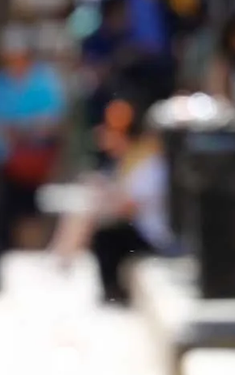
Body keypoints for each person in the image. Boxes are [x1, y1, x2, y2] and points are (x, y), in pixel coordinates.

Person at [52, 93, 176, 304]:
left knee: (104, 233)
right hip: (135, 225)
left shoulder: (148, 162)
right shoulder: (129, 159)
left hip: (152, 235)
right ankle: (62, 259)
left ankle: (108, 287)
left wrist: (99, 205)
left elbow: (128, 207)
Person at [0, 26, 67, 256]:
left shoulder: (45, 80)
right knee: (7, 211)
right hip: (6, 160)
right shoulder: (0, 82)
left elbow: (53, 121)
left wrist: (21, 130)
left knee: (32, 212)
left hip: (37, 161)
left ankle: (33, 253)